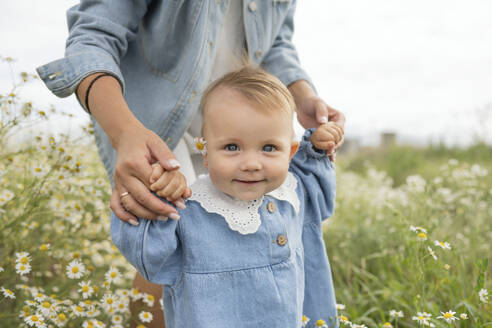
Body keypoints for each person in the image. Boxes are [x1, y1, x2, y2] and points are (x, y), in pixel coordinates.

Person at [36, 1, 345, 326]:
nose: (253, 165)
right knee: (170, 227)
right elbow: (93, 34)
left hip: (247, 118)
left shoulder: (297, 190)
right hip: (149, 124)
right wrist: (124, 133)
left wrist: (304, 95)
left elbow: (277, 42)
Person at [112, 66, 341, 328]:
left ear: (290, 153)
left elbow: (321, 197)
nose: (251, 163)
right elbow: (148, 257)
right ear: (206, 154)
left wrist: (318, 149)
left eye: (269, 148)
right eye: (232, 147)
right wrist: (160, 194)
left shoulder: (294, 195)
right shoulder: (188, 211)